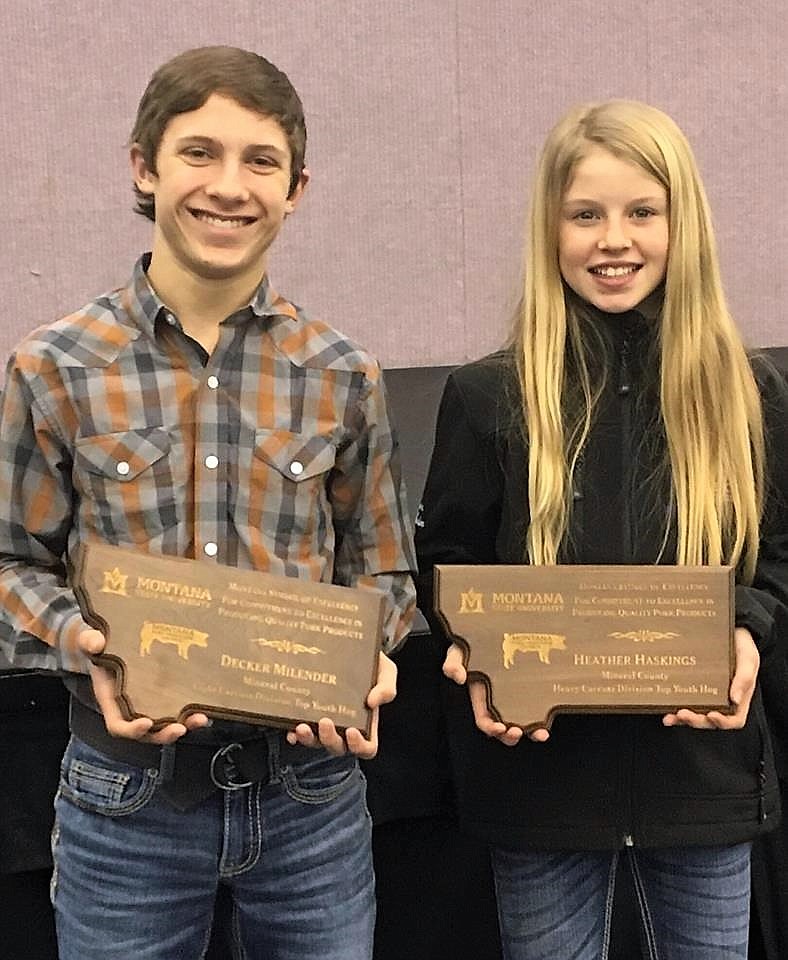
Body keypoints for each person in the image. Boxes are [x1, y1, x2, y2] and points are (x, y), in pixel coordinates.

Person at [0, 45, 416, 960]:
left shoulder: (343, 374)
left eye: (260, 161)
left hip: (314, 803)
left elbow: (380, 566)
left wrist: (371, 658)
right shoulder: (54, 365)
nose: (230, 186)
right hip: (126, 804)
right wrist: (88, 648)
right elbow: (11, 565)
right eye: (200, 153)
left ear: (296, 187)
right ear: (145, 168)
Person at [415, 99, 788, 960]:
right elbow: (448, 568)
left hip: (704, 782)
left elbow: (779, 562)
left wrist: (746, 630)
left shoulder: (748, 393)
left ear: (680, 224)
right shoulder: (487, 396)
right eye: (586, 214)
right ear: (552, 228)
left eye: (641, 213)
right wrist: (478, 658)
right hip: (541, 785)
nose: (613, 239)